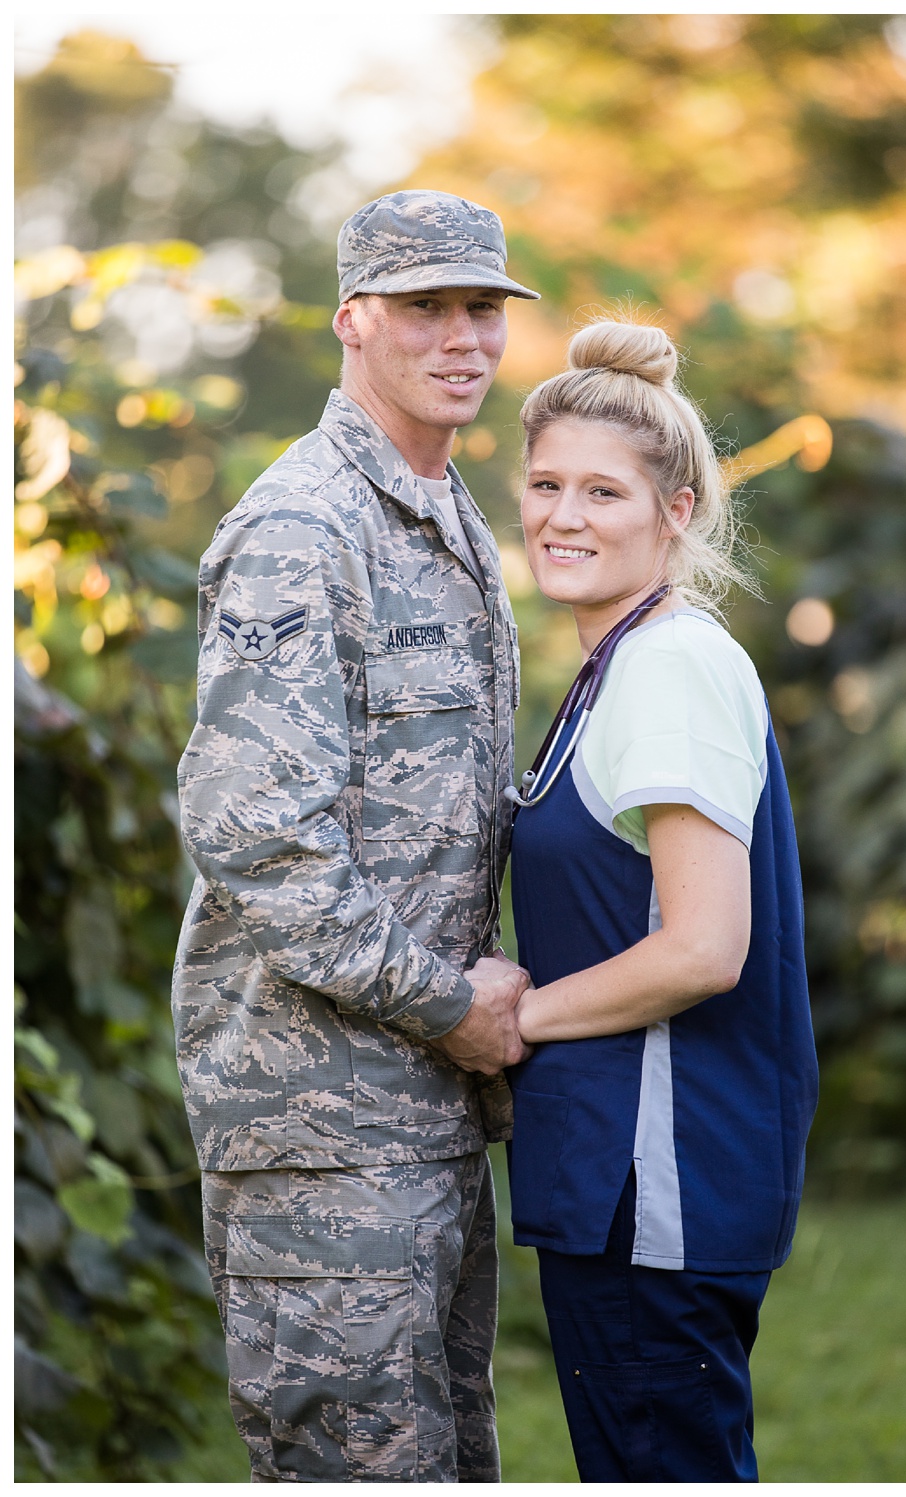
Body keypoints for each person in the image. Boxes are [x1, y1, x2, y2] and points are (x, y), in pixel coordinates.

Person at [173, 189, 540, 1480]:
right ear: (352, 320)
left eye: (483, 307)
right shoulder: (302, 528)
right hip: (320, 1133)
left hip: (424, 1116)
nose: (464, 337)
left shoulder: (443, 514)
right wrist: (449, 1002)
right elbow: (260, 840)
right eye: (427, 306)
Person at [499, 320, 817, 1483]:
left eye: (602, 491)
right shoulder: (619, 661)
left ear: (675, 512)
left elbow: (701, 947)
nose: (563, 517)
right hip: (617, 1189)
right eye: (543, 485)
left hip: (661, 1191)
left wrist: (514, 1018)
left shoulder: (670, 666)